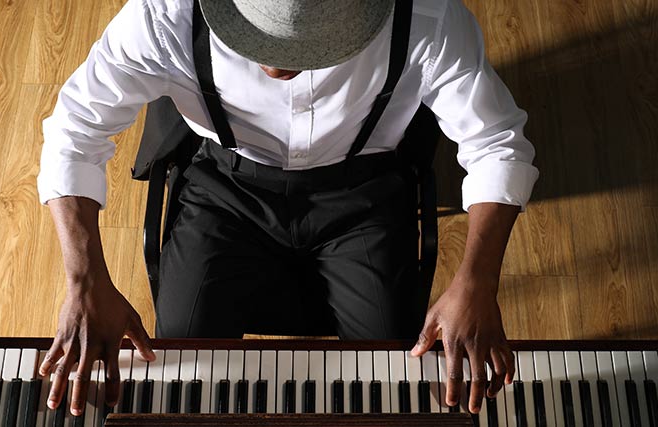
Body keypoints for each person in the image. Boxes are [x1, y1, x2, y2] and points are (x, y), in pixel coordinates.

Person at [35, 0, 539, 417]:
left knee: (398, 384)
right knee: (186, 377)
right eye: (254, 35)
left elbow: (498, 144)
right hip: (225, 190)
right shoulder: (167, 14)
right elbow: (74, 130)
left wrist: (477, 281)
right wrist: (83, 280)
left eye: (306, 45)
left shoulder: (425, 16)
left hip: (363, 190)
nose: (274, 66)